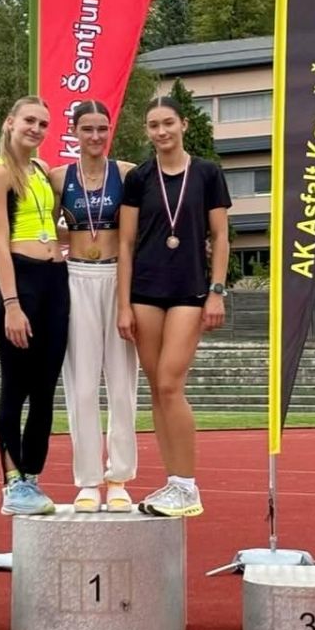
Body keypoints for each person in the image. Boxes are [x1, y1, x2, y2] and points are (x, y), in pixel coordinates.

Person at [117, 96, 231, 518]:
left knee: (169, 384)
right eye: (153, 125)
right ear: (146, 131)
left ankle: (187, 485)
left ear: (184, 124)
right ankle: (173, 483)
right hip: (145, 292)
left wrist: (217, 291)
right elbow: (126, 244)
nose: (161, 131)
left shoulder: (207, 173)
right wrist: (123, 304)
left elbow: (221, 237)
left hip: (190, 291)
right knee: (157, 389)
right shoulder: (139, 178)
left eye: (168, 123)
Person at [0, 95, 69, 515]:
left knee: (45, 390)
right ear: (10, 122)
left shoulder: (42, 170)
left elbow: (53, 226)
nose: (36, 129)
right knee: (15, 388)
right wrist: (12, 304)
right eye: (29, 121)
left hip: (55, 282)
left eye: (43, 124)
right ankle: (12, 483)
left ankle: (33, 476)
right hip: (21, 282)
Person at [50, 100, 138, 513]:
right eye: (87, 129)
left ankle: (118, 478)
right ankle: (88, 481)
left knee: (121, 385)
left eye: (102, 128)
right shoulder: (58, 178)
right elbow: (43, 229)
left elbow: (138, 233)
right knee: (82, 386)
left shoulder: (127, 174)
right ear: (74, 132)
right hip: (77, 277)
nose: (96, 136)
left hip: (118, 278)